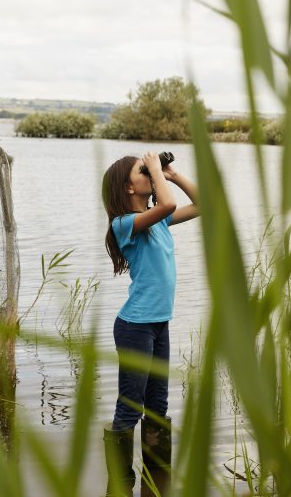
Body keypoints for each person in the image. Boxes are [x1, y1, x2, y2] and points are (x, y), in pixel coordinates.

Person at [100, 151, 198, 496]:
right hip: (134, 327)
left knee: (158, 406)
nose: (149, 174)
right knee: (130, 406)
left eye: (148, 171)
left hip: (158, 325)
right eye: (142, 172)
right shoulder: (124, 224)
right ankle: (121, 484)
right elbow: (168, 206)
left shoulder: (156, 221)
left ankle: (157, 476)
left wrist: (169, 174)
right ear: (129, 187)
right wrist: (156, 172)